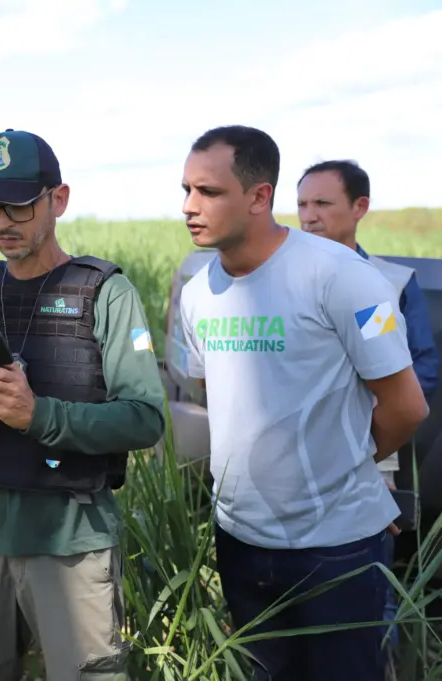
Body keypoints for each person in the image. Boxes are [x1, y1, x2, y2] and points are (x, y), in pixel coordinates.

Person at [178, 125, 429, 681]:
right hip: (239, 540)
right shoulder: (198, 293)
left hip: (335, 547)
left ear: (260, 196)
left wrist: (346, 466)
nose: (190, 208)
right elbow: (209, 394)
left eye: (209, 192)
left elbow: (406, 406)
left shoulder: (343, 277)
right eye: (186, 191)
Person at [0, 128, 166, 681]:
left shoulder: (103, 290)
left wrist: (39, 416)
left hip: (70, 538)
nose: (2, 222)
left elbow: (146, 419)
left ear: (59, 199)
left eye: (19, 206)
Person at [297, 158, 438, 659]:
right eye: (301, 205)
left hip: (369, 457)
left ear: (360, 208)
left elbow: (417, 372)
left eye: (322, 204)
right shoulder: (276, 280)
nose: (308, 217)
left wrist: (362, 440)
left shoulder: (386, 285)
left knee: (366, 588)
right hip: (287, 463)